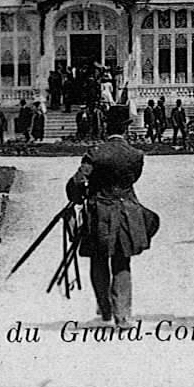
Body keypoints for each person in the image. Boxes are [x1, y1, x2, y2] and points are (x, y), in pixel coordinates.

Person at [66, 106, 158, 325]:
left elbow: (78, 181)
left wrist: (77, 196)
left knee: (99, 261)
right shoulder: (136, 155)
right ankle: (123, 315)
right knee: (122, 261)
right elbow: (132, 180)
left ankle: (106, 310)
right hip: (127, 211)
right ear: (126, 128)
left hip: (99, 213)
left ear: (106, 126)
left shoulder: (95, 153)